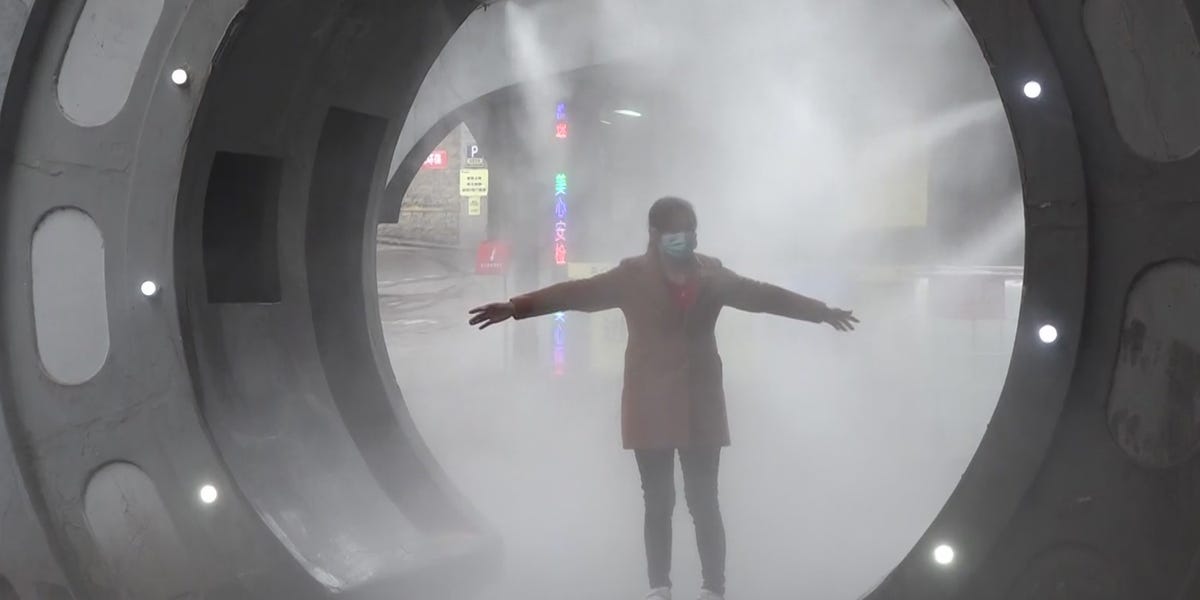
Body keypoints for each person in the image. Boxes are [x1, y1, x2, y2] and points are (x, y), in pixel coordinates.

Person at [468, 197, 858, 600]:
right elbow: (575, 294)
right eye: (676, 231)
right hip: (648, 403)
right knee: (657, 501)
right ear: (654, 235)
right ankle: (660, 587)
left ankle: (713, 588)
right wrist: (515, 307)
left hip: (701, 404)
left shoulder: (713, 275)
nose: (685, 238)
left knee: (704, 499)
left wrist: (821, 312)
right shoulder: (630, 277)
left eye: (691, 230)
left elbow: (763, 297)